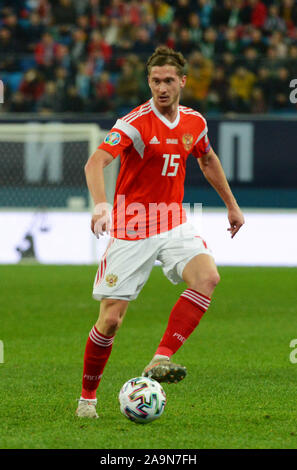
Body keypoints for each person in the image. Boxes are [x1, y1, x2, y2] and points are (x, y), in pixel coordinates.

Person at [76, 46, 245, 418]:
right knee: (111, 319)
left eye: (169, 80)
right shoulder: (134, 122)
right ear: (148, 82)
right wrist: (102, 204)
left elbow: (206, 158)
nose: (162, 88)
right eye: (155, 81)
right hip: (132, 225)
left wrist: (232, 205)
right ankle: (88, 398)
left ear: (183, 81)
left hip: (172, 221)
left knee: (207, 277)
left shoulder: (193, 122)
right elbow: (96, 161)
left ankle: (160, 358)